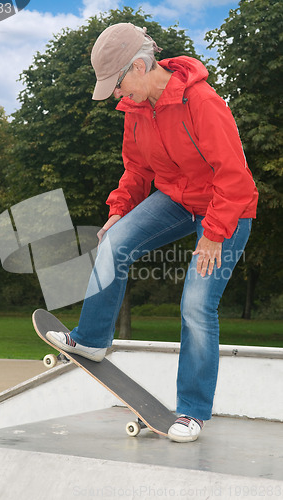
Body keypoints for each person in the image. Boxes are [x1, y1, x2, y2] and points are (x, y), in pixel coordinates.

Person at [47, 23, 258, 442]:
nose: (118, 95)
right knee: (114, 243)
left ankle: (193, 411)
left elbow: (235, 178)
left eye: (119, 84)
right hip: (176, 200)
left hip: (226, 208)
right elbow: (137, 169)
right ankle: (90, 339)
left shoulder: (202, 102)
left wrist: (214, 234)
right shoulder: (137, 110)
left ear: (140, 66)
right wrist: (119, 211)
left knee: (196, 304)